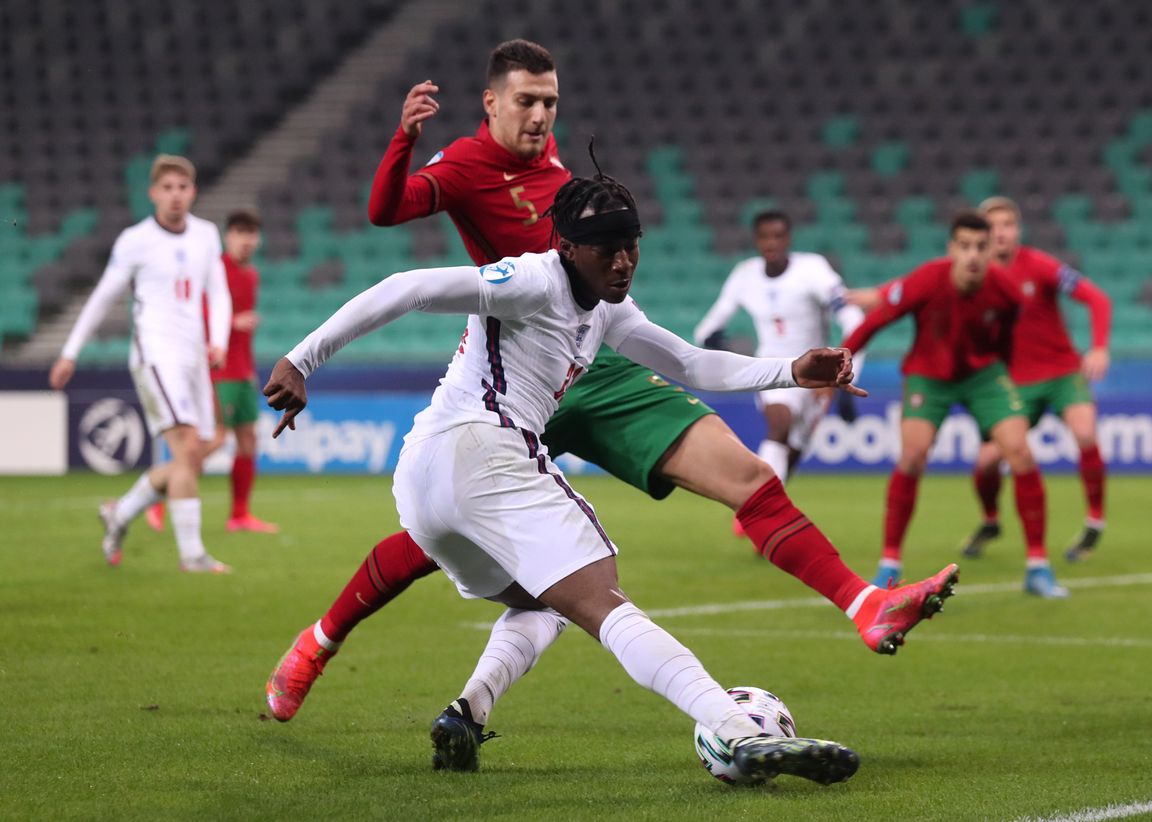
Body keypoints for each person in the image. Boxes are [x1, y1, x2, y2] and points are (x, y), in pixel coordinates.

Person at [265, 39, 958, 723]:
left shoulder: (566, 175)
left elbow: (685, 358)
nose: (541, 117)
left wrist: (790, 371)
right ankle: (318, 643)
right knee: (433, 538)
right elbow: (390, 221)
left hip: (601, 359)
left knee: (747, 477)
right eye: (528, 102)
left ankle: (865, 604)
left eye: (551, 102)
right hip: (521, 381)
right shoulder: (469, 163)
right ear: (492, 103)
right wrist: (400, 145)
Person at [264, 170, 884, 781]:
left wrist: (792, 370)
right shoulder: (532, 280)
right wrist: (302, 359)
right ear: (566, 247)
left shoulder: (609, 312)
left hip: (429, 478)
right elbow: (409, 286)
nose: (622, 262)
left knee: (543, 602)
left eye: (630, 246)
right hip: (484, 448)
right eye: (607, 249)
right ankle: (737, 730)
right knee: (603, 601)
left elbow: (691, 363)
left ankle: (467, 711)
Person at [843, 211, 1067, 598]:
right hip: (928, 375)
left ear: (990, 250)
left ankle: (1038, 566)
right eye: (965, 246)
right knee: (912, 457)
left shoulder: (1007, 290)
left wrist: (1003, 379)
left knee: (1021, 454)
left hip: (984, 376)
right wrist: (840, 364)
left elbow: (1007, 338)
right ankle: (889, 564)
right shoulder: (927, 279)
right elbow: (875, 321)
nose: (974, 256)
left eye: (981, 247)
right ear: (952, 249)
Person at [49, 154, 233, 573]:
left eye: (182, 187)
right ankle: (193, 556)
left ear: (193, 192)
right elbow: (102, 297)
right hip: (156, 355)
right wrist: (70, 351)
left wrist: (218, 340)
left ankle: (120, 512)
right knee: (186, 448)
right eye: (167, 188)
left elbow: (218, 293)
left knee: (197, 456)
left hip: (194, 357)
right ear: (153, 193)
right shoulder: (136, 240)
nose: (175, 196)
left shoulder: (206, 235)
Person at [960, 198, 1110, 562]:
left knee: (1085, 433)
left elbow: (1097, 299)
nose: (1000, 233)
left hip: (1061, 372)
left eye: (1007, 224)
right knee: (987, 462)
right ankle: (991, 519)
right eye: (992, 226)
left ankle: (1094, 521)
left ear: (1018, 230)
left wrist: (1099, 347)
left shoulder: (1040, 265)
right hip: (1013, 383)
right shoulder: (972, 277)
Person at [693, 210, 865, 483]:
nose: (771, 243)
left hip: (817, 373)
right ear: (756, 240)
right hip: (772, 365)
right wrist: (716, 343)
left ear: (788, 239)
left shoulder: (813, 269)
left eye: (778, 236)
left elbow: (853, 320)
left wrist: (848, 377)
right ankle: (753, 500)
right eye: (764, 237)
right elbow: (708, 328)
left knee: (795, 449)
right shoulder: (745, 275)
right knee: (780, 425)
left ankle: (768, 506)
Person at [144, 209, 279, 534]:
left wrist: (248, 368)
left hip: (241, 372)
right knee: (214, 439)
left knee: (248, 442)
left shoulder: (251, 275)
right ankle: (158, 502)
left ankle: (239, 515)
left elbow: (243, 330)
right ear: (228, 236)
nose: (246, 240)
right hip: (215, 370)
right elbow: (195, 312)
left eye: (251, 234)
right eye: (239, 232)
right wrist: (232, 323)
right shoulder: (213, 269)